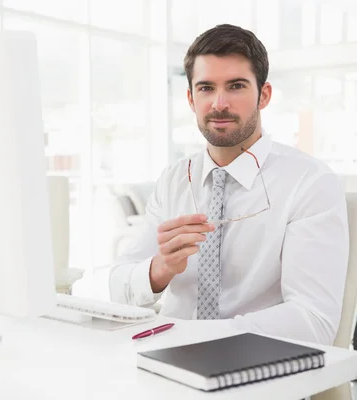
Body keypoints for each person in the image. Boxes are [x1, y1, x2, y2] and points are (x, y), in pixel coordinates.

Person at [109, 24, 349, 345]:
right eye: (206, 88)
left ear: (263, 95)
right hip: (168, 364)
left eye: (235, 86)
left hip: (258, 368)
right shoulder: (174, 180)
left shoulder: (309, 183)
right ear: (191, 98)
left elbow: (312, 321)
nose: (219, 103)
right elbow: (117, 286)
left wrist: (200, 338)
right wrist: (159, 269)